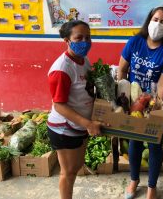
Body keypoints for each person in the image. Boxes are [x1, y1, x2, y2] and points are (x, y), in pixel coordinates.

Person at [118, 6, 163, 199]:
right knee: (134, 142)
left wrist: (156, 112)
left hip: (157, 102)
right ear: (149, 20)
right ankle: (134, 180)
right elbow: (122, 70)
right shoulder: (135, 42)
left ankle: (152, 187)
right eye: (156, 19)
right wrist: (123, 100)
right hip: (133, 101)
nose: (158, 24)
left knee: (155, 144)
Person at [47, 20, 104, 199]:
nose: (85, 42)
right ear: (67, 40)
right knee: (68, 173)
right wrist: (88, 123)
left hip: (80, 126)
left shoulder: (83, 59)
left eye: (88, 37)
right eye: (79, 38)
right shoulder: (62, 69)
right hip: (65, 128)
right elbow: (59, 105)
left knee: (76, 166)